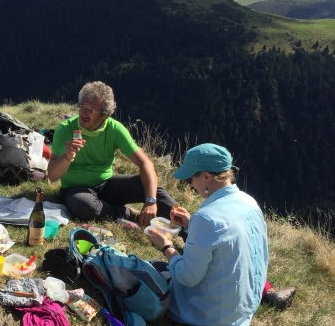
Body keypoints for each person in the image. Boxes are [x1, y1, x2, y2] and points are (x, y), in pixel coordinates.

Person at [148, 143, 275, 325]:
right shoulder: (249, 202)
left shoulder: (206, 218)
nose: (190, 184)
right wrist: (190, 225)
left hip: (209, 316)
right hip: (242, 313)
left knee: (154, 268)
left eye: (191, 178)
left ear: (207, 177)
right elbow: (224, 238)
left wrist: (166, 246)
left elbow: (187, 277)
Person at [48, 81, 177, 227]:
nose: (83, 113)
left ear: (105, 114)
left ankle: (185, 224)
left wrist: (151, 201)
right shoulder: (65, 129)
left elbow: (145, 162)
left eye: (91, 110)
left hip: (106, 184)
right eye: (82, 107)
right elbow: (52, 175)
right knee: (84, 206)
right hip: (75, 188)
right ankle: (129, 215)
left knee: (151, 188)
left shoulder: (115, 129)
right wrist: (67, 157)